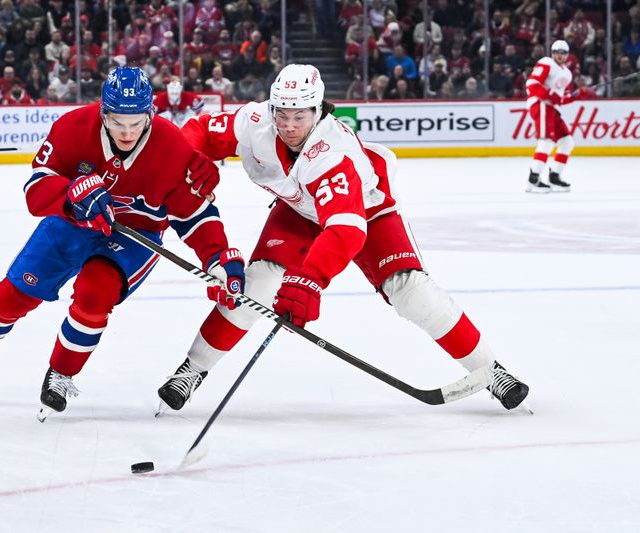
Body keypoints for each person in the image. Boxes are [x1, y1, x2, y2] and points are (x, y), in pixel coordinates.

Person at [157, 64, 530, 413]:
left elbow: (346, 229)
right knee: (257, 283)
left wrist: (310, 279)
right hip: (300, 207)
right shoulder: (254, 120)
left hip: (366, 211)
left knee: (410, 290)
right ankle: (192, 370)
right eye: (281, 114)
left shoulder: (334, 153)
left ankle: (490, 371)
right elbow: (201, 131)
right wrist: (190, 158)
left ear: (318, 110)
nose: (288, 125)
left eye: (299, 116)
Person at [0, 67, 245, 421]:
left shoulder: (173, 148)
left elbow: (196, 216)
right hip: (71, 223)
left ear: (150, 115)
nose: (127, 132)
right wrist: (70, 194)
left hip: (134, 238)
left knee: (96, 295)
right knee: (16, 293)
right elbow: (35, 193)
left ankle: (62, 373)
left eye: (136, 122)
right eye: (118, 122)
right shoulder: (73, 128)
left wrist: (218, 257)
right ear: (103, 113)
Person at [524, 40, 579, 193]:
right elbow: (532, 84)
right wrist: (551, 96)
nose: (560, 55)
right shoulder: (546, 63)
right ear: (553, 53)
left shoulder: (567, 73)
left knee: (567, 142)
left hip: (552, 109)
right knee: (546, 142)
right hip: (541, 105)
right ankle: (533, 180)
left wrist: (574, 96)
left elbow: (559, 98)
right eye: (557, 52)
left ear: (568, 55)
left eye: (564, 53)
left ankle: (554, 176)